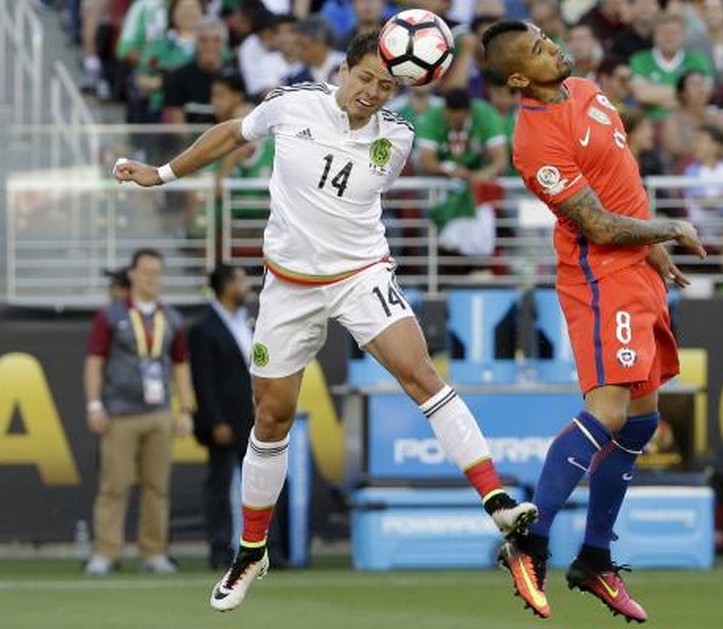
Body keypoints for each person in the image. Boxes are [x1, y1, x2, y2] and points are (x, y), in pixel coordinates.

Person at [113, 31, 537, 612]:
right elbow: (231, 134)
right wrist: (161, 173)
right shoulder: (292, 105)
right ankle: (251, 551)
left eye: (385, 86)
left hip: (359, 276)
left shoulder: (398, 137)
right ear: (342, 70)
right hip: (289, 286)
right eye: (365, 78)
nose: (372, 92)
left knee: (420, 375)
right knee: (271, 416)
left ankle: (497, 501)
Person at [481, 20, 705, 621]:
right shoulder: (534, 142)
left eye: (546, 37)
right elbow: (598, 225)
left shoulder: (586, 90)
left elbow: (619, 185)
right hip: (601, 277)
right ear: (519, 78)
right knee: (608, 411)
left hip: (637, 269)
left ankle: (595, 559)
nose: (553, 47)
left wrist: (650, 246)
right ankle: (529, 542)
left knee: (643, 419)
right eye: (537, 49)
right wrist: (668, 229)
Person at [83, 248, 194, 575]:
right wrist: (94, 404)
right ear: (132, 274)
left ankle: (154, 552)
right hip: (120, 412)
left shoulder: (171, 318)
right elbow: (94, 361)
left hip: (159, 412)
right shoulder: (111, 315)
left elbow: (181, 365)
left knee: (157, 488)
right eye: (145, 271)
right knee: (114, 486)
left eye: (156, 272)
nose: (151, 278)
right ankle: (106, 552)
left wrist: (185, 409)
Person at [189, 264, 255, 570]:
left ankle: (266, 549)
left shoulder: (249, 322)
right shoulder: (204, 328)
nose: (245, 286)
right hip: (225, 420)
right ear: (226, 286)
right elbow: (203, 380)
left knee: (261, 485)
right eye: (240, 281)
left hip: (254, 418)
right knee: (220, 485)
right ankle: (220, 550)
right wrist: (215, 420)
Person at [417, 88, 508, 276]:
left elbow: (500, 162)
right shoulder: (434, 115)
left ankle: (482, 270)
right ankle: (435, 277)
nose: (453, 123)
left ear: (468, 113)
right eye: (450, 119)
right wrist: (449, 169)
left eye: (458, 120)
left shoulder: (484, 114)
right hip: (441, 185)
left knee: (486, 228)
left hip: (478, 189)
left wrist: (481, 176)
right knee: (427, 225)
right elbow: (426, 161)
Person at [682, 123, 723, 284]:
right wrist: (721, 198)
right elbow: (701, 201)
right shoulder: (692, 170)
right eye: (695, 140)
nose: (696, 145)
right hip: (698, 224)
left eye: (701, 140)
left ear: (717, 146)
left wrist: (713, 201)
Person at [629, 12, 714, 121]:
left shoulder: (698, 61)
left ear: (684, 35)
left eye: (674, 32)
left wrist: (655, 96)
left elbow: (703, 95)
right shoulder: (639, 60)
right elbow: (641, 94)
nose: (669, 37)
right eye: (663, 32)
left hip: (689, 123)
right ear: (654, 35)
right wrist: (687, 94)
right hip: (650, 123)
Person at [163, 17, 231, 125]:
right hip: (190, 135)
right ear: (195, 43)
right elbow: (177, 125)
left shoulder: (234, 77)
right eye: (203, 40)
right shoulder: (177, 77)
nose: (210, 45)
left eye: (216, 40)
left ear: (224, 44)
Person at [661, 70, 723, 170]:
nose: (701, 89)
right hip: (683, 172)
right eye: (694, 85)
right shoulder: (673, 120)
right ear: (683, 93)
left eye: (702, 84)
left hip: (716, 170)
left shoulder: (716, 118)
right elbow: (673, 149)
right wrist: (705, 150)